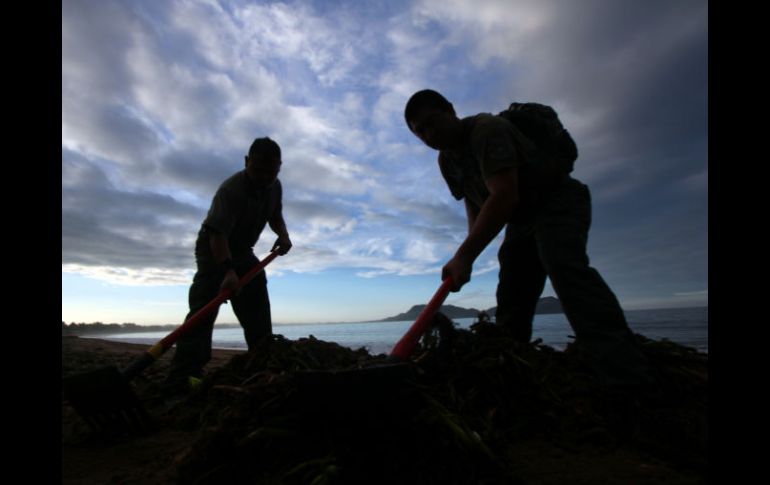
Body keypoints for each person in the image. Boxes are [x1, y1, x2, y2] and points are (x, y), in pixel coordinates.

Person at [404, 89, 655, 389]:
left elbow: (505, 195)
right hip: (522, 219)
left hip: (556, 199)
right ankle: (512, 367)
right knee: (512, 290)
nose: (429, 134)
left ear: (450, 109)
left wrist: (465, 255)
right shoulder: (447, 160)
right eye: (421, 132)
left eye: (433, 122)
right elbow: (475, 203)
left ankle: (627, 375)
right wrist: (469, 253)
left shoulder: (487, 131)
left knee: (564, 268)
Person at [165, 136, 292, 392]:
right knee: (204, 310)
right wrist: (228, 272)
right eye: (258, 170)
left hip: (244, 250)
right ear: (246, 162)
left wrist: (284, 235)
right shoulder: (231, 190)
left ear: (280, 166)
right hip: (214, 251)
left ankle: (261, 363)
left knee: (256, 304)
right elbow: (217, 234)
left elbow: (275, 215)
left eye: (272, 171)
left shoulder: (275, 186)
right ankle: (184, 377)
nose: (265, 177)